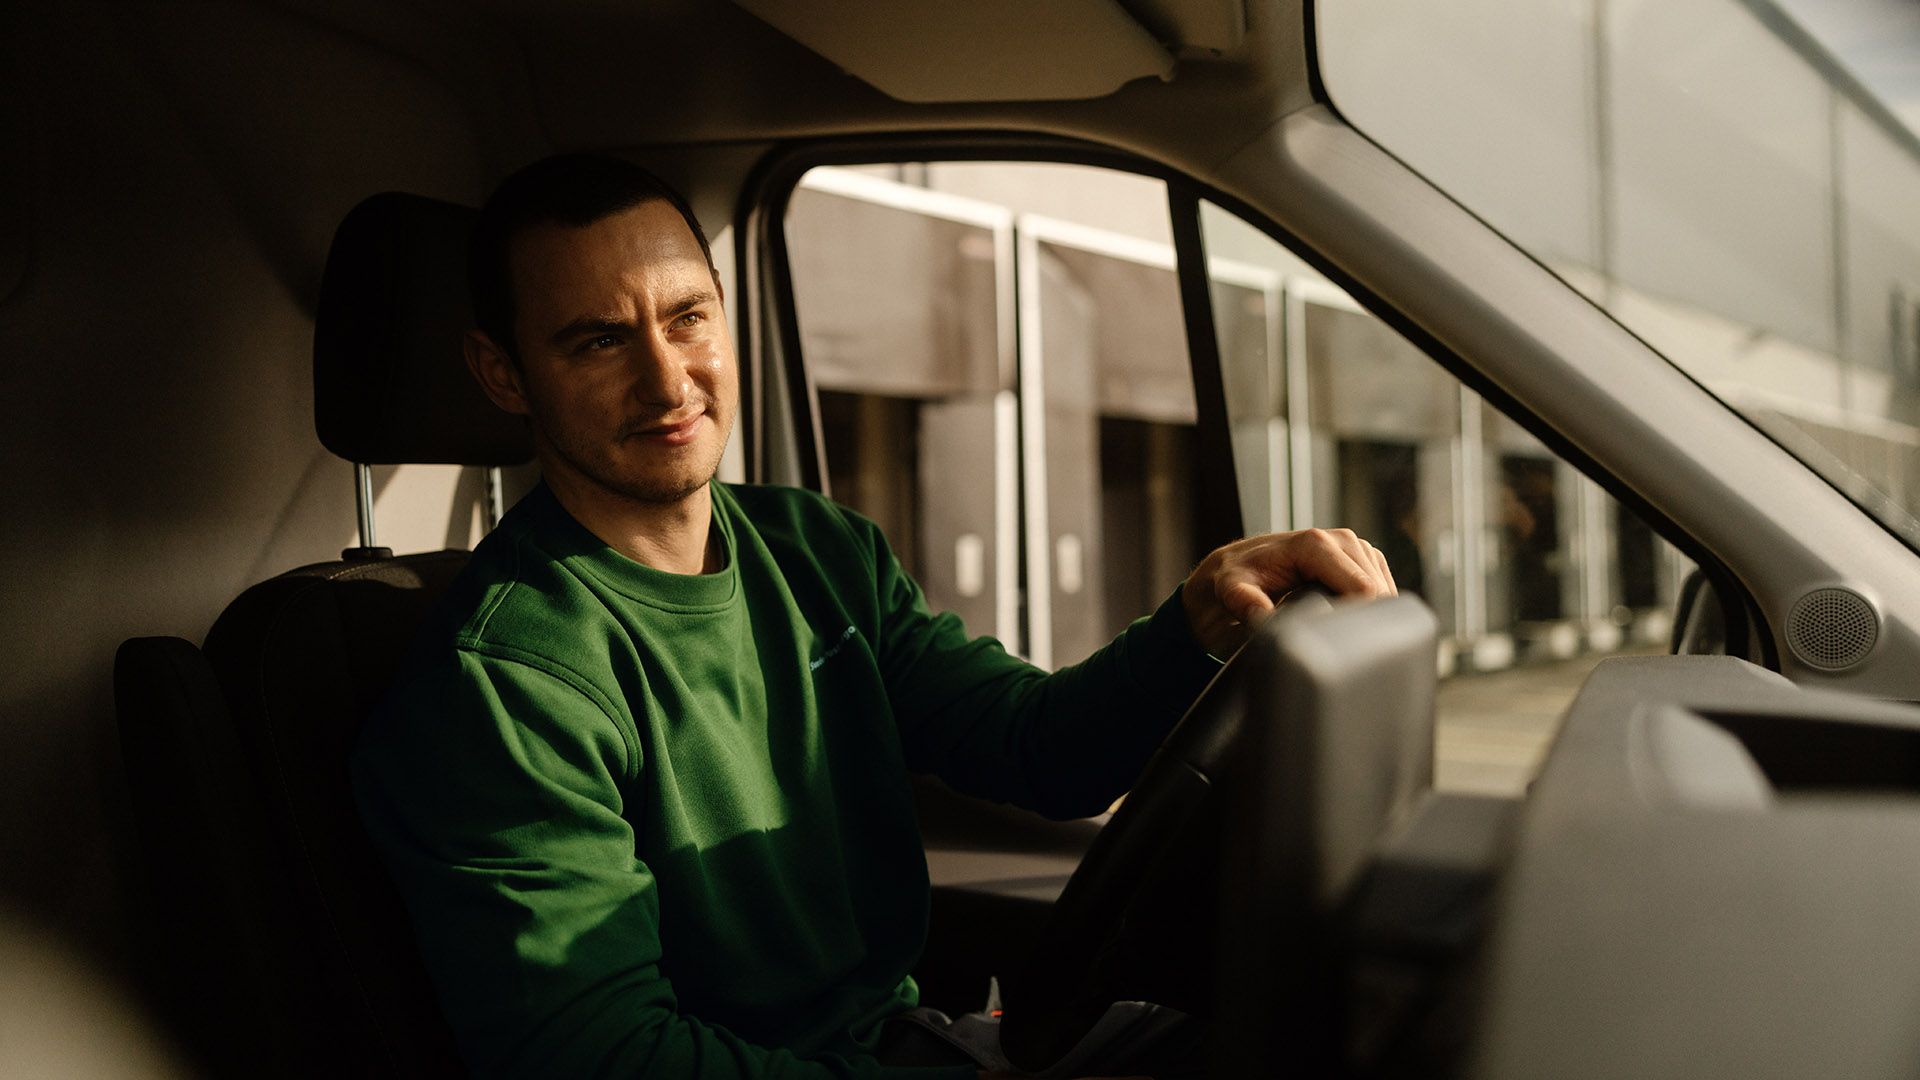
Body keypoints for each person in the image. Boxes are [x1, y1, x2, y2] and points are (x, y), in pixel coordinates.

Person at [351, 154, 1396, 1080]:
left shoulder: (817, 550)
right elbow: (607, 1058)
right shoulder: (505, 678)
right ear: (504, 374)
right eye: (597, 341)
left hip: (914, 1041)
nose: (667, 379)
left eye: (687, 318)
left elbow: (1037, 747)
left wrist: (1200, 615)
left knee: (1348, 1035)